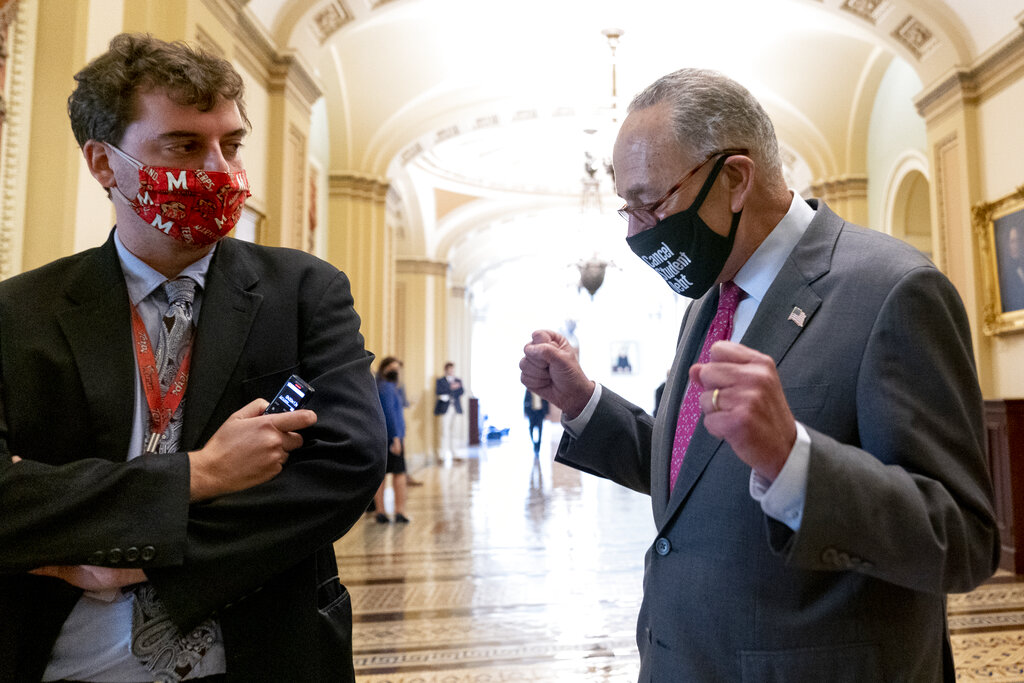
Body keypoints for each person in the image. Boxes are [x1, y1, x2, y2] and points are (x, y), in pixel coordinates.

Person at [520, 68, 998, 681]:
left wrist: (793, 461)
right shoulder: (708, 300)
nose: (638, 231)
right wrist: (585, 402)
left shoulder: (893, 290)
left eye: (652, 202)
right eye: (626, 209)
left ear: (736, 178)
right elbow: (696, 473)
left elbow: (962, 538)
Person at [0, 34, 386, 683]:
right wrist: (201, 474)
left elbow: (346, 464)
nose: (221, 171)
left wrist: (136, 553)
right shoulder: (17, 314)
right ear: (103, 162)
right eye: (184, 146)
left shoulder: (304, 293)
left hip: (261, 655)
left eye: (230, 145)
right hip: (61, 663)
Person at [373, 357, 410, 523]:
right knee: (399, 474)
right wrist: (396, 437)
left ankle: (381, 511)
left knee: (382, 475)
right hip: (391, 437)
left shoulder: (385, 386)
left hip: (383, 436)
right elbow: (389, 414)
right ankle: (399, 511)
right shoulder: (386, 387)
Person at [433, 362, 464, 460]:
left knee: (454, 431)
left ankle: (454, 453)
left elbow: (461, 391)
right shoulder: (441, 381)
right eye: (450, 370)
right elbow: (438, 391)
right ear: (446, 370)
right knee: (444, 431)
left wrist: (455, 387)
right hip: (445, 408)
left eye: (453, 370)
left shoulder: (457, 380)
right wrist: (451, 387)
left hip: (455, 408)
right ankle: (442, 454)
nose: (451, 371)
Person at [523, 388, 549, 455]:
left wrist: (546, 412)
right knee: (531, 429)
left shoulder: (542, 391)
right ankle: (534, 443)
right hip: (532, 413)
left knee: (540, 430)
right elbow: (525, 401)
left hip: (540, 413)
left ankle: (538, 445)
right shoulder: (528, 390)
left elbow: (546, 401)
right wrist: (526, 412)